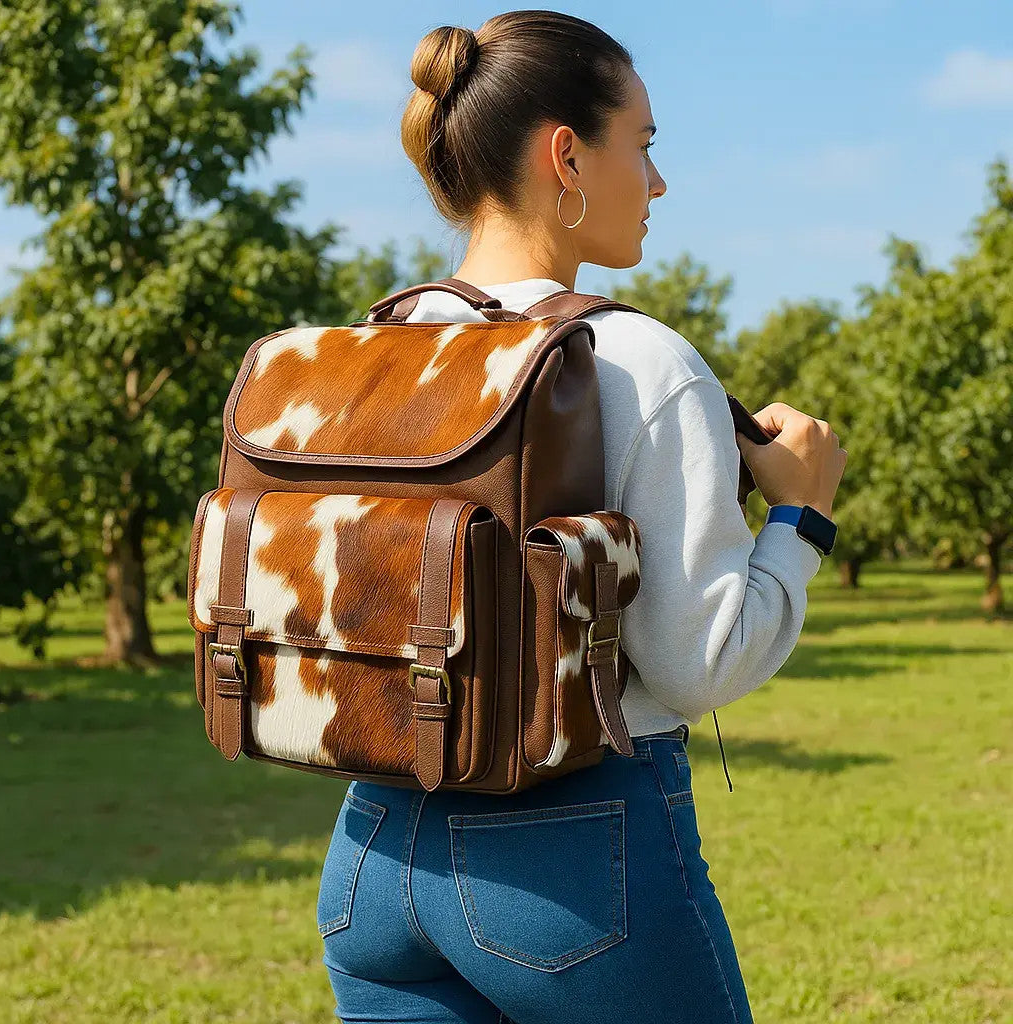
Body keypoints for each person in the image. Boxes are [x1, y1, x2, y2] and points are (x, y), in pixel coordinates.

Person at [316, 11, 847, 1024]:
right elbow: (698, 666)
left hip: (372, 852)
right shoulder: (640, 361)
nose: (656, 182)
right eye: (642, 147)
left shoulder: (378, 347)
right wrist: (801, 517)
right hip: (570, 862)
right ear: (567, 153)